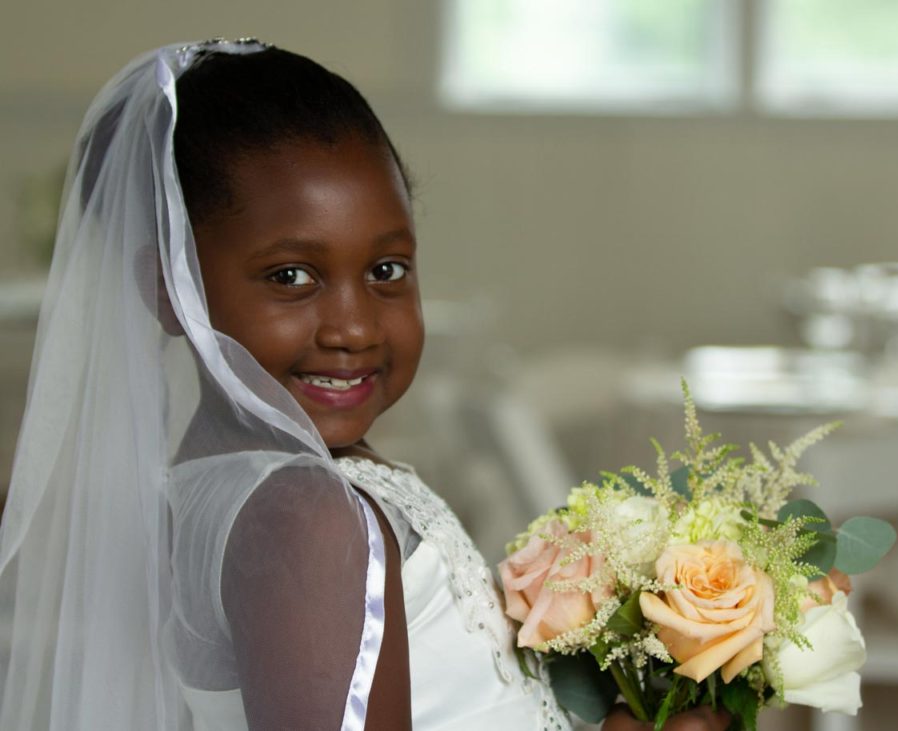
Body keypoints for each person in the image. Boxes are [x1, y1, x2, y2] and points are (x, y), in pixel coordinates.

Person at [0, 39, 729, 731]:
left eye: (386, 271)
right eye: (291, 276)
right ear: (171, 290)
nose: (353, 327)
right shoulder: (303, 515)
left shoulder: (248, 484)